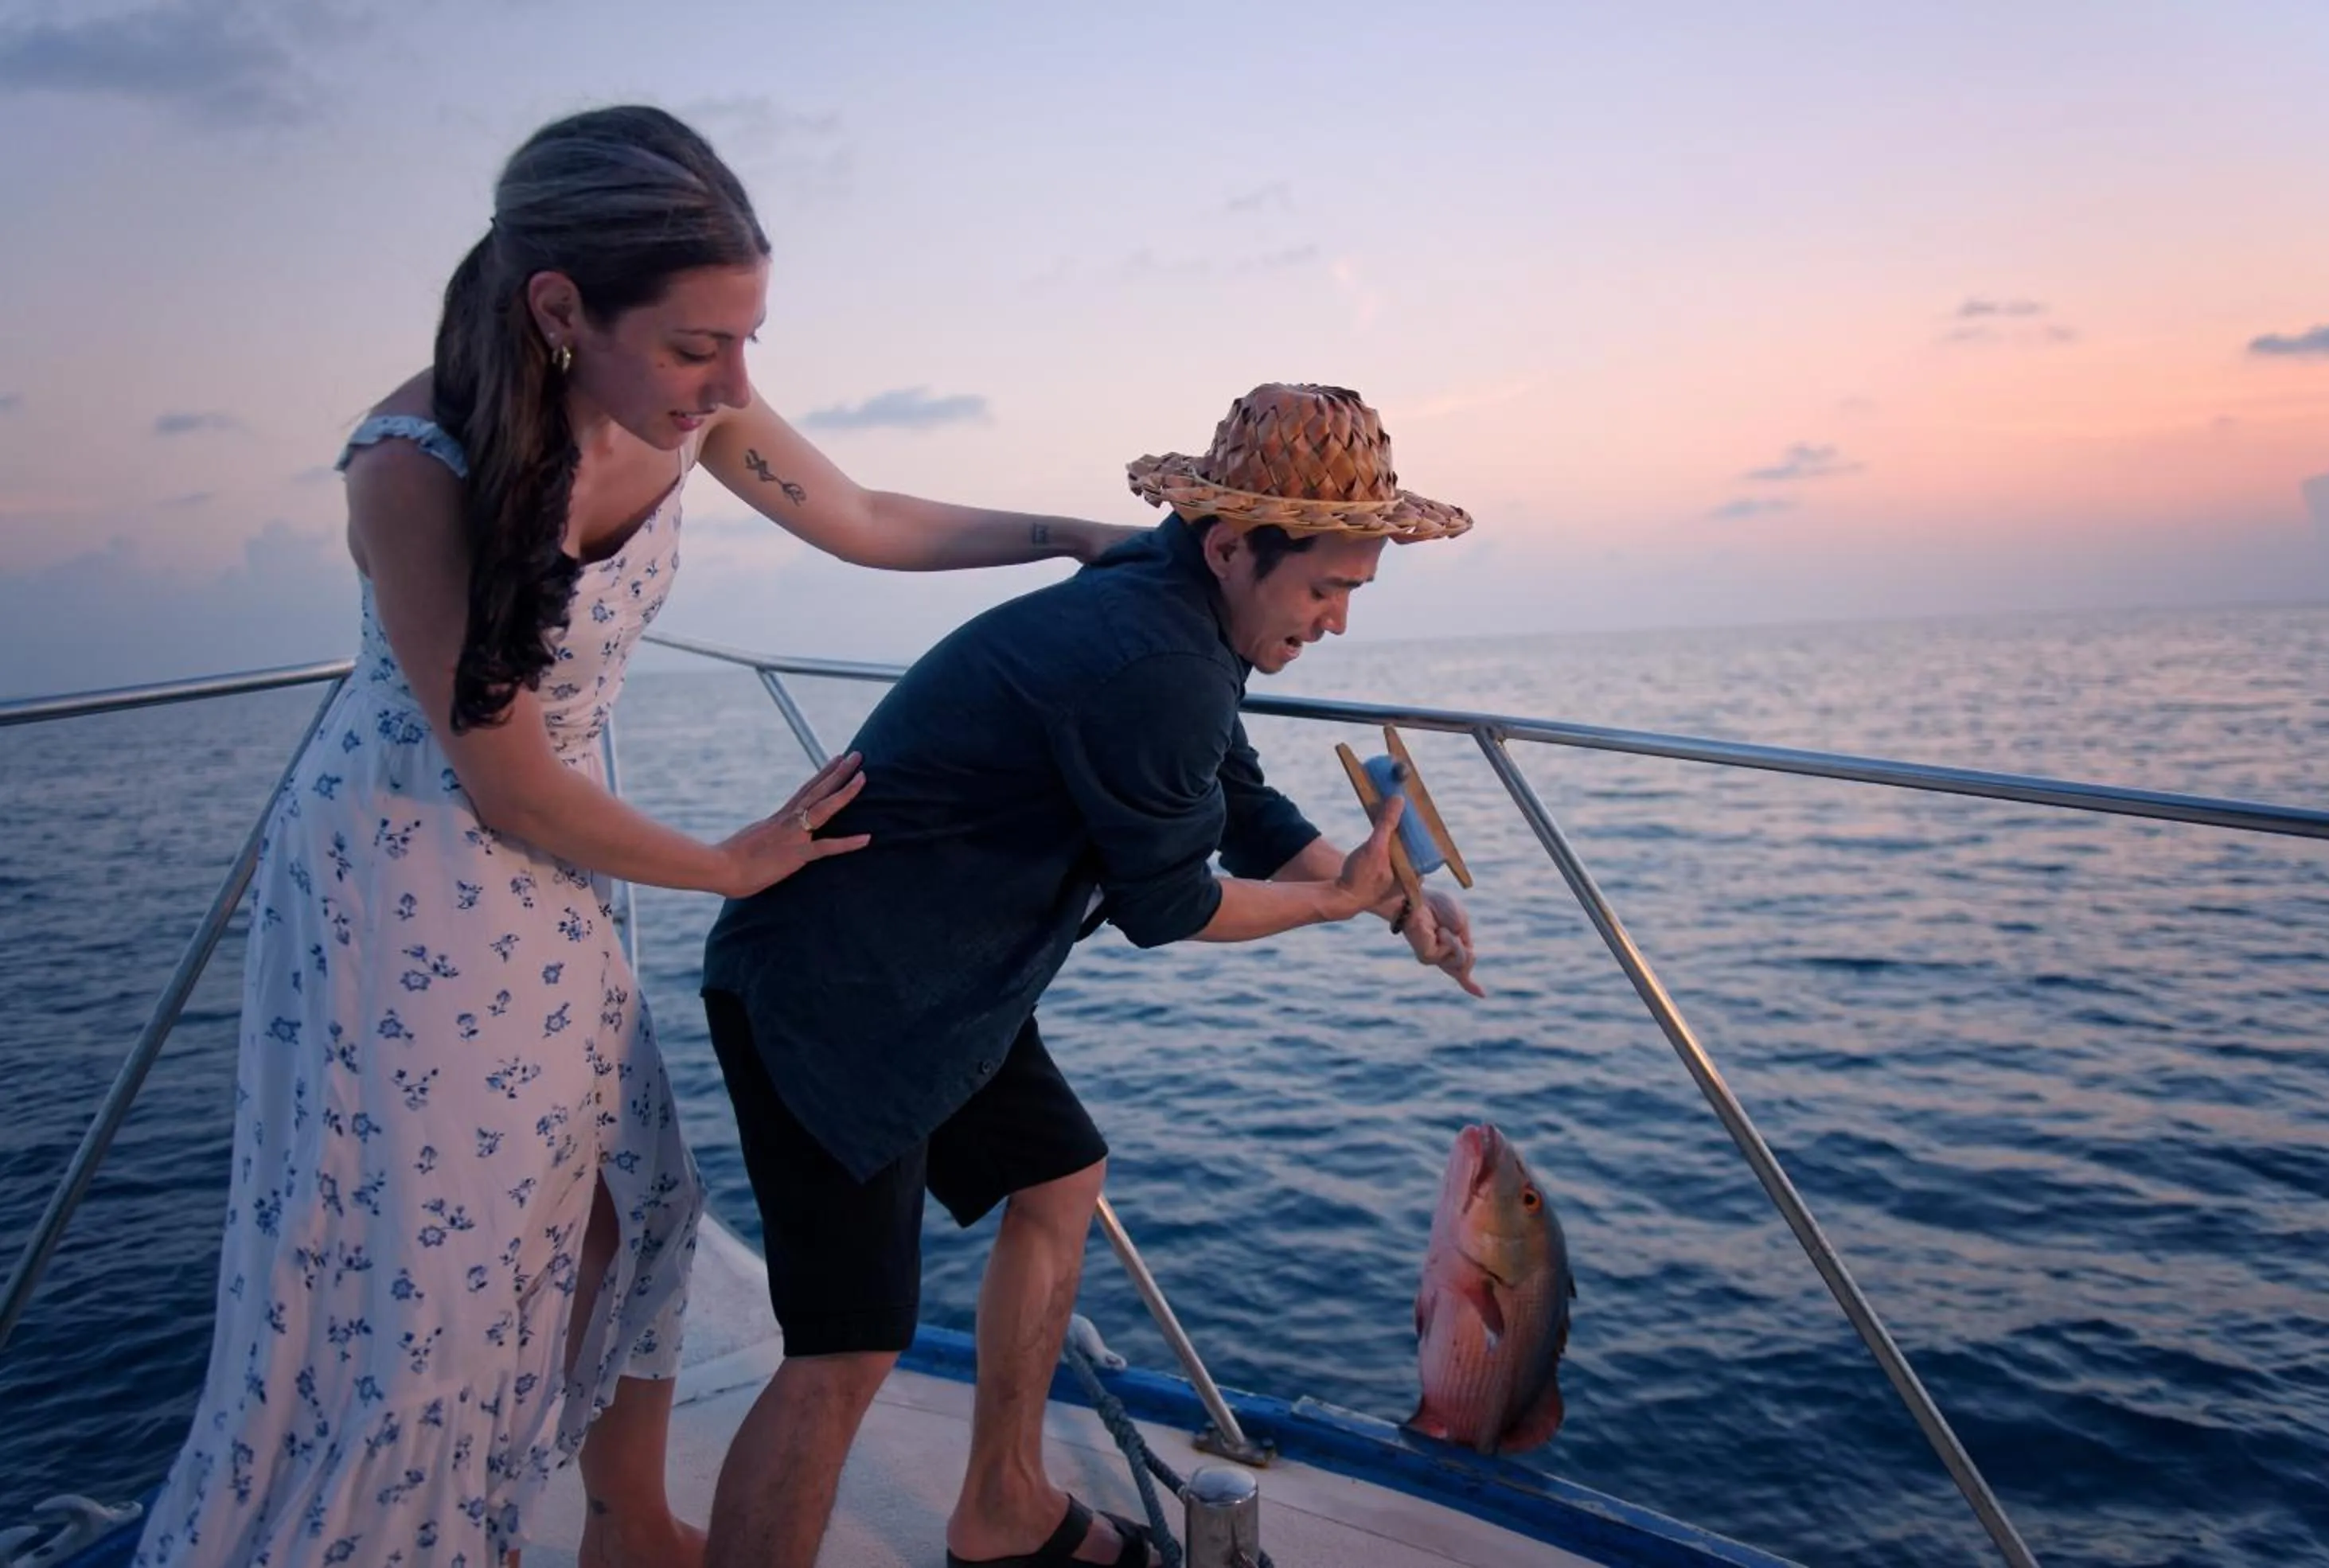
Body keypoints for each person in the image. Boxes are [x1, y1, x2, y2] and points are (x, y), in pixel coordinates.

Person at [133, 104, 1135, 1568]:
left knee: (633, 1202)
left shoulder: (685, 405)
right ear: (561, 311)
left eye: (748, 341)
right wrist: (733, 862)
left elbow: (861, 515)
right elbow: (504, 784)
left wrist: (1073, 537)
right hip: (414, 872)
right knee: (446, 1274)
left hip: (563, 868)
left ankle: (628, 1524)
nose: (733, 385)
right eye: (697, 347)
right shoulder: (412, 468)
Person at [700, 382, 1482, 1568]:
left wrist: (1394, 901)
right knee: (845, 1348)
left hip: (942, 980)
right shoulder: (1158, 657)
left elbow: (1243, 807)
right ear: (1231, 546)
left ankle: (1003, 1505)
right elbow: (1172, 907)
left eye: (1352, 593)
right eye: (1325, 588)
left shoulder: (1179, 614)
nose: (1334, 623)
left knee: (1059, 1174)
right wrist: (1337, 900)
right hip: (837, 997)